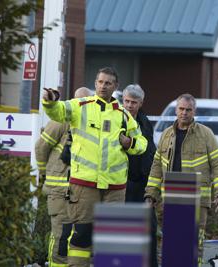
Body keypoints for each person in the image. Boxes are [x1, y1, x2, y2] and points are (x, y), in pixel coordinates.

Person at [42, 67, 147, 267]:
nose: (103, 86)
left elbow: (141, 143)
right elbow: (58, 111)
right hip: (84, 184)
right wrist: (49, 101)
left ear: (116, 86)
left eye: (108, 83)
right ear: (95, 83)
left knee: (111, 238)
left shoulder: (123, 115)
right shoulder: (80, 105)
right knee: (82, 234)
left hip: (114, 187)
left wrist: (130, 144)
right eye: (100, 82)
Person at [144, 93, 218, 264]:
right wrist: (150, 195)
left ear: (194, 111)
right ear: (176, 110)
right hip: (171, 200)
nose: (184, 113)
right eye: (181, 109)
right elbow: (156, 167)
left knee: (193, 245)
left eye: (188, 110)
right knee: (172, 244)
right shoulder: (166, 135)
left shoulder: (206, 135)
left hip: (197, 201)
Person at [35, 87, 92, 267]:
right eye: (79, 102)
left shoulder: (90, 122)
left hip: (80, 190)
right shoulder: (61, 120)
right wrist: (45, 175)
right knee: (61, 235)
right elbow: (40, 147)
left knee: (78, 237)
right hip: (60, 188)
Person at [122, 84, 158, 267]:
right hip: (121, 183)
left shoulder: (145, 123)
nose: (129, 105)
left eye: (133, 102)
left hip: (142, 183)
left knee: (149, 228)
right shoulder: (116, 119)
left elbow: (151, 152)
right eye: (126, 101)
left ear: (141, 103)